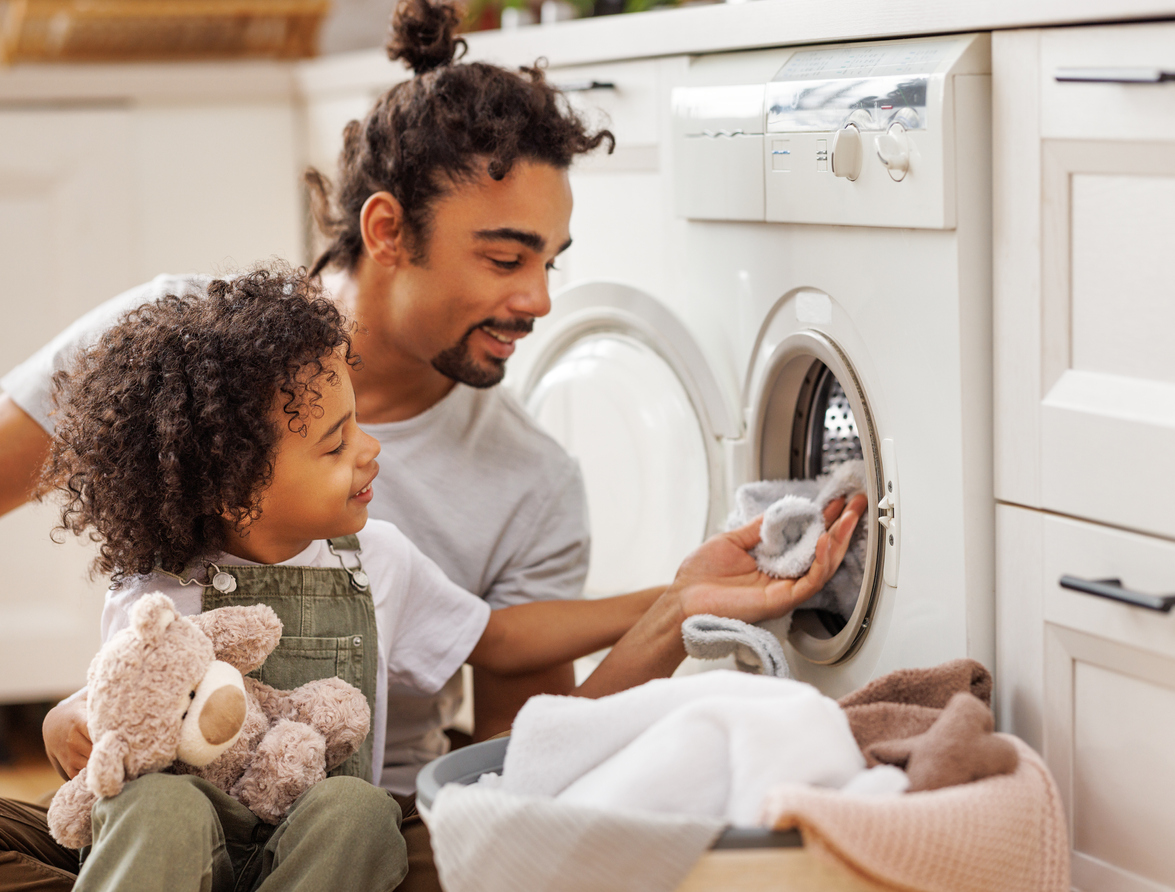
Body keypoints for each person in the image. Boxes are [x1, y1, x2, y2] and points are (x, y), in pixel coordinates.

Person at [0, 0, 866, 887]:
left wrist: (675, 607)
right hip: (158, 810)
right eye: (504, 258)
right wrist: (80, 718)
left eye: (550, 262)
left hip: (361, 820)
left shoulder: (527, 481)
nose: (539, 301)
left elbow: (517, 752)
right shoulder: (174, 350)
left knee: (424, 844)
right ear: (385, 232)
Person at [24, 266, 860, 892]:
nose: (369, 450)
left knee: (358, 813)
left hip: (307, 841)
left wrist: (677, 595)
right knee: (157, 808)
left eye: (358, 423)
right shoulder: (155, 591)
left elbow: (501, 638)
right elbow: (107, 707)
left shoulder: (376, 560)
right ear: (239, 490)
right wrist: (71, 721)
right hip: (185, 850)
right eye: (334, 442)